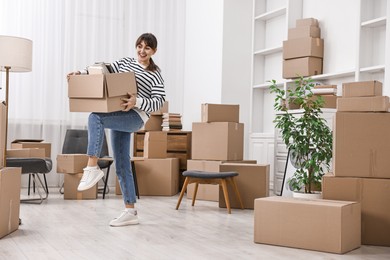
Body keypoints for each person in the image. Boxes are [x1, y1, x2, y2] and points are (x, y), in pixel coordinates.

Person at [67, 33, 165, 227]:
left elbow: (159, 102)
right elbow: (104, 69)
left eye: (147, 48)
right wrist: (80, 73)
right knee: (121, 164)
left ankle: (92, 167)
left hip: (135, 117)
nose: (142, 51)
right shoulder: (126, 62)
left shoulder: (155, 74)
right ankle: (131, 211)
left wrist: (136, 101)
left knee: (95, 117)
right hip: (118, 114)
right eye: (139, 46)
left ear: (154, 51)